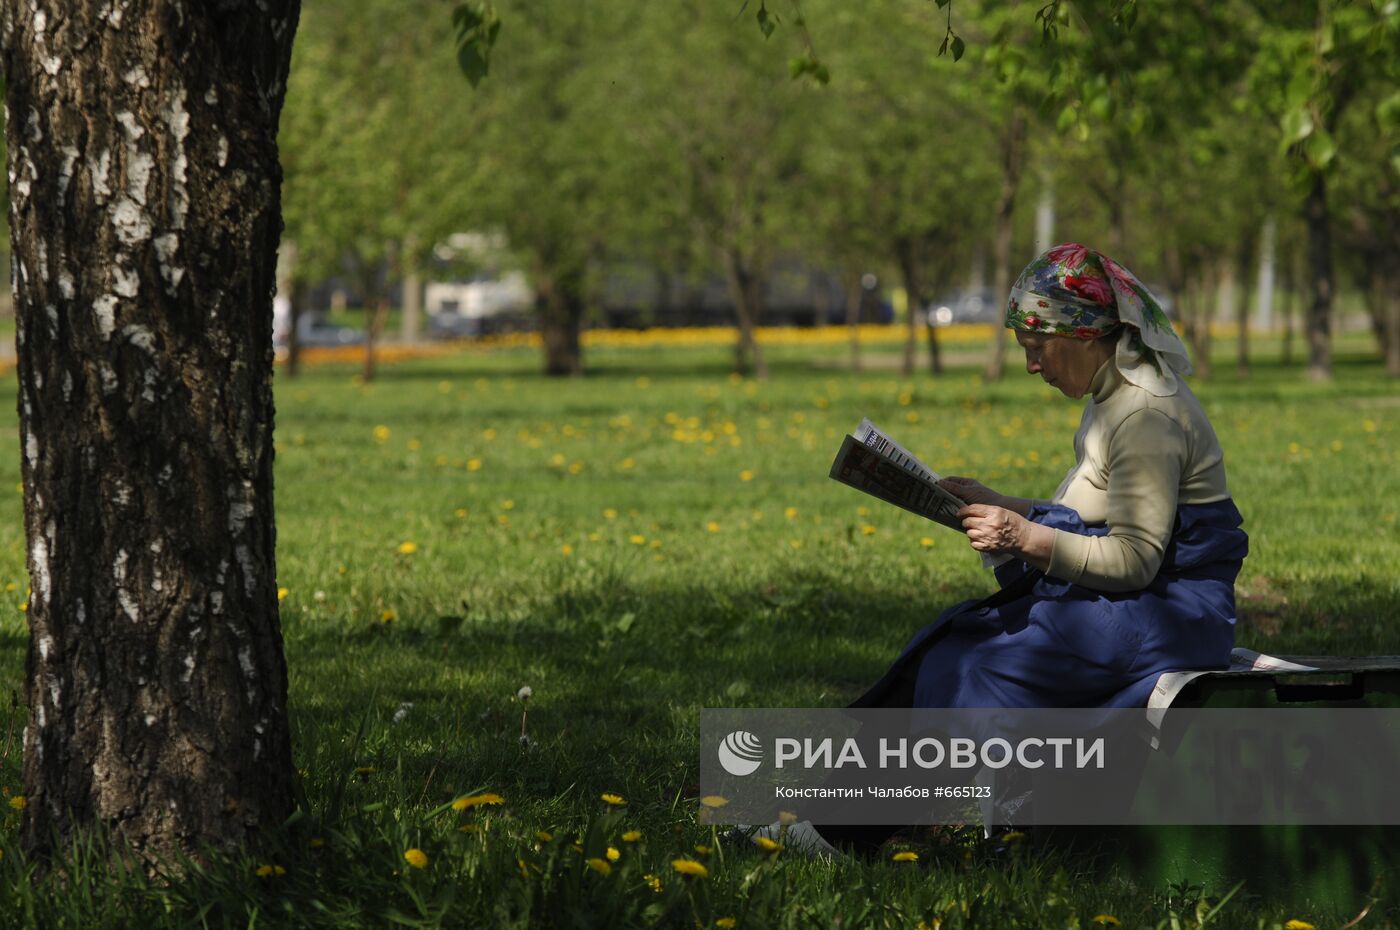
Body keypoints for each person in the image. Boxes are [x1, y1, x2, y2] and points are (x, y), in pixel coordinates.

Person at [800, 243, 1249, 855]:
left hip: (1169, 612)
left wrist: (1023, 537)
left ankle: (856, 829)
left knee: (976, 662)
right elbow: (1092, 514)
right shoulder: (1111, 394)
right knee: (952, 640)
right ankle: (844, 822)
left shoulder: (1145, 414)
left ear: (1084, 333)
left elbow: (1137, 558)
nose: (1033, 366)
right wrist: (1002, 504)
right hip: (1133, 604)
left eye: (1037, 349)